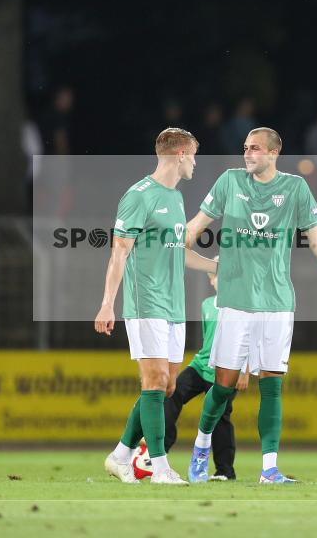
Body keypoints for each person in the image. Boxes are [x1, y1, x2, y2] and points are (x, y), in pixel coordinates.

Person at [185, 127, 317, 484]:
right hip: (235, 301)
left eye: (255, 148)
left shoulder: (295, 188)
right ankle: (201, 447)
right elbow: (195, 227)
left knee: (271, 385)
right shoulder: (229, 182)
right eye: (245, 147)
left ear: (274, 153)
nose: (248, 153)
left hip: (277, 303)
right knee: (223, 386)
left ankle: (269, 468)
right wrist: (178, 242)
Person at [94, 127, 217, 486]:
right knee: (155, 380)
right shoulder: (139, 196)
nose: (195, 163)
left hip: (174, 305)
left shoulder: (176, 198)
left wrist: (219, 267)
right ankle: (160, 468)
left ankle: (120, 455)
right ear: (180, 155)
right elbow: (119, 252)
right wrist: (107, 304)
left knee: (167, 387)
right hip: (146, 302)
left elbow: (180, 254)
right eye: (193, 155)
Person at [163, 257, 249, 481]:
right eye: (218, 275)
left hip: (227, 370)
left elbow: (250, 339)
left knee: (220, 417)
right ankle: (159, 453)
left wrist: (245, 371)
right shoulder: (207, 305)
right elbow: (208, 340)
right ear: (212, 281)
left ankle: (225, 471)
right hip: (201, 366)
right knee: (171, 393)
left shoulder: (243, 306)